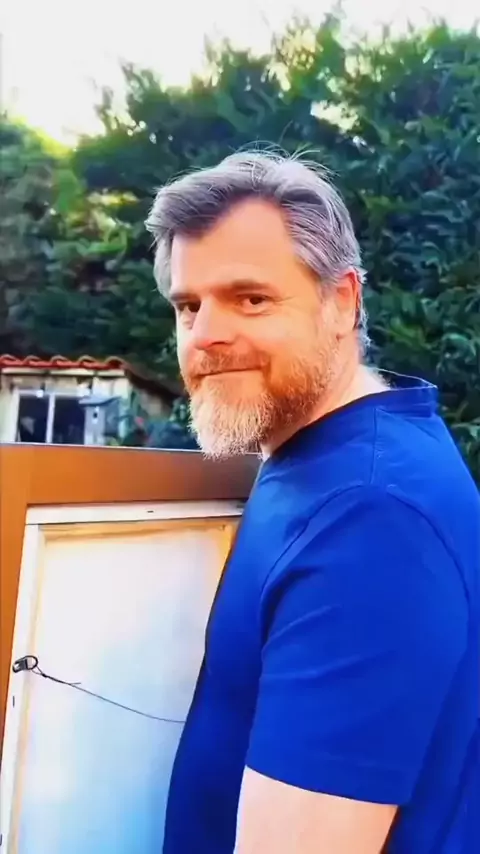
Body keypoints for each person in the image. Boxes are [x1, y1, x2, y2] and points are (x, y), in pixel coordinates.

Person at [146, 151, 479, 854]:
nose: (204, 335)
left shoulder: (369, 516)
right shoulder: (325, 458)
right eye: (188, 306)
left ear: (343, 304)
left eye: (251, 299)